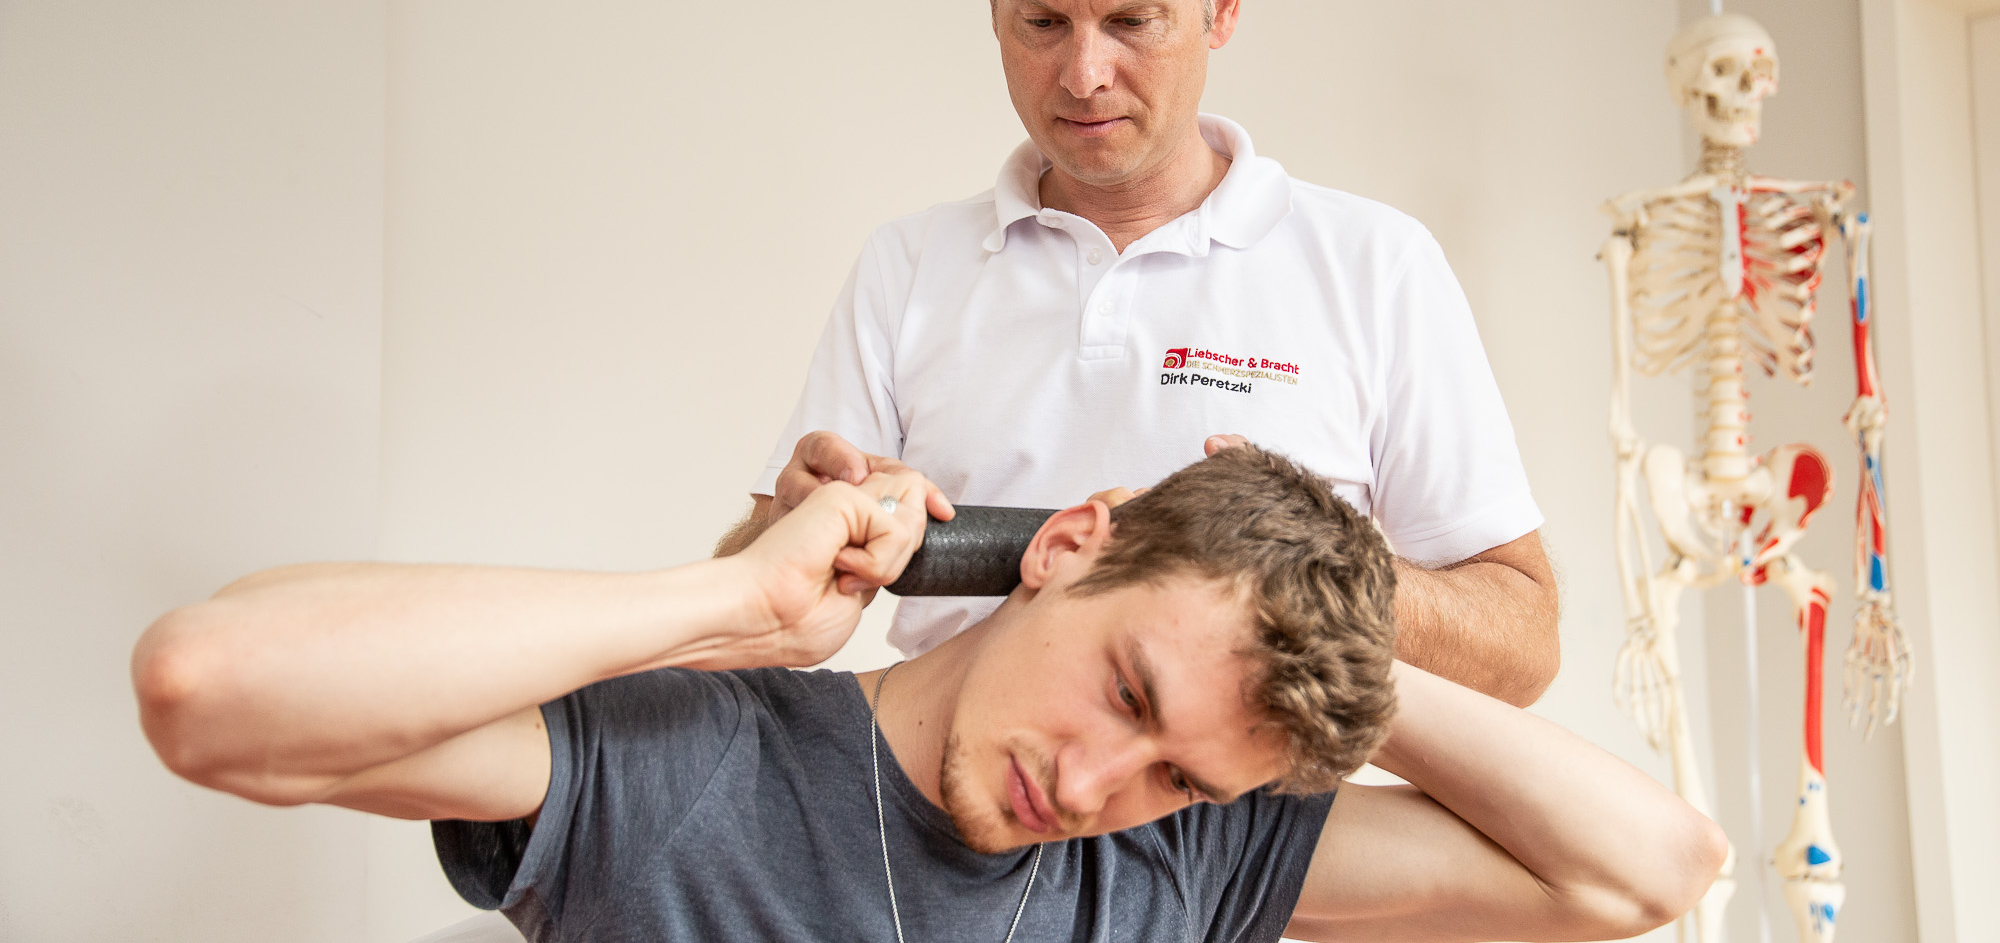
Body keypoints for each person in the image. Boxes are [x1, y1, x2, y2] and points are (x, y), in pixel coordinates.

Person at [134, 446, 1724, 941]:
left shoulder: (1188, 856)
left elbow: (1649, 870)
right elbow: (210, 684)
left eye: (1179, 771)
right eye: (1126, 688)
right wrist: (733, 605)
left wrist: (1346, 668)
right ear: (1068, 548)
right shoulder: (702, 761)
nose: (1095, 788)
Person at [719, 0, 1557, 704]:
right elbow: (743, 614)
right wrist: (789, 531)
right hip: (945, 781)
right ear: (993, 0)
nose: (1084, 74)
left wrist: (1310, 576)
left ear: (1220, 2)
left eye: (1131, 20)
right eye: (1042, 22)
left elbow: (1522, 646)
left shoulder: (1376, 266)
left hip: (1252, 792)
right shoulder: (909, 266)